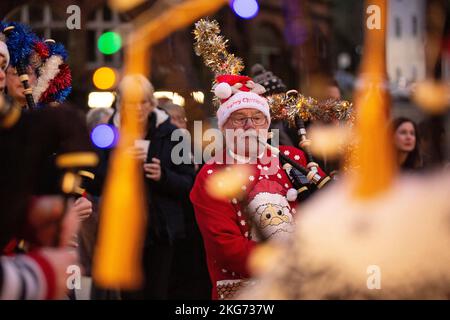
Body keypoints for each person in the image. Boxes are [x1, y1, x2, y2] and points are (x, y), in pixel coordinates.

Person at [190, 73, 327, 300]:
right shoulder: (211, 175)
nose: (249, 126)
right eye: (239, 118)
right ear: (224, 127)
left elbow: (325, 205)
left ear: (267, 124)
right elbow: (225, 247)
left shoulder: (292, 158)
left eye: (257, 118)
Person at [91, 74, 203, 299]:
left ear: (152, 103)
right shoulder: (105, 133)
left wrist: (163, 176)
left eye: (144, 102)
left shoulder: (170, 133)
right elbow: (92, 181)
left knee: (158, 292)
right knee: (130, 295)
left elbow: (189, 183)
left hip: (161, 230)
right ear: (121, 103)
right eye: (132, 102)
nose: (139, 108)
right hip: (123, 228)